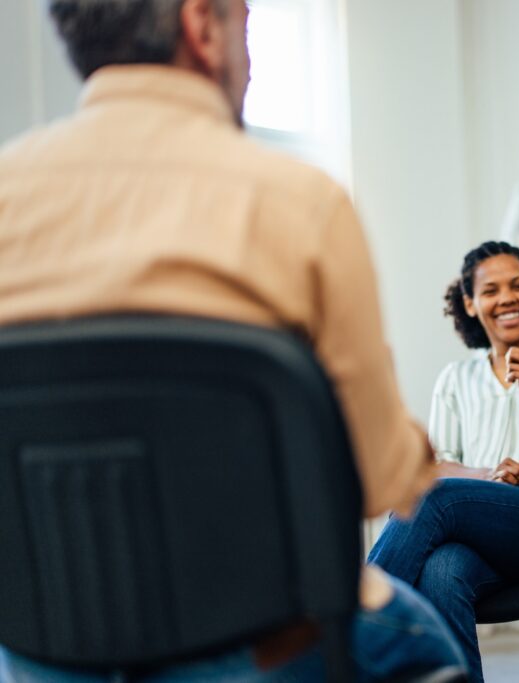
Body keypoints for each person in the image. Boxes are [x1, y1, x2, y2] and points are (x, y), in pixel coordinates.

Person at [0, 0, 464, 681]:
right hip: (259, 643)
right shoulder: (301, 202)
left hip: (45, 644)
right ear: (201, 25)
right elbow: (377, 484)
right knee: (425, 639)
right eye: (246, 21)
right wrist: (403, 441)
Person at [368, 240, 519, 683]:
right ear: (470, 303)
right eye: (491, 289)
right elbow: (435, 466)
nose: (507, 298)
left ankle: (348, 638)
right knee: (443, 571)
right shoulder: (456, 378)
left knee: (438, 500)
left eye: (518, 285)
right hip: (484, 536)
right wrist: (487, 476)